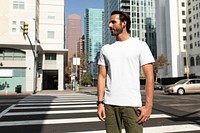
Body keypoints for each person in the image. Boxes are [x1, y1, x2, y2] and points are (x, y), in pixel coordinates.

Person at [97, 10, 155, 133]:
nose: (109, 25)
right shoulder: (106, 49)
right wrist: (100, 103)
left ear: (124, 23)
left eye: (113, 22)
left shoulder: (140, 45)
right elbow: (102, 77)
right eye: (109, 22)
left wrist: (148, 106)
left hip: (132, 104)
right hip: (110, 104)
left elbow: (150, 76)